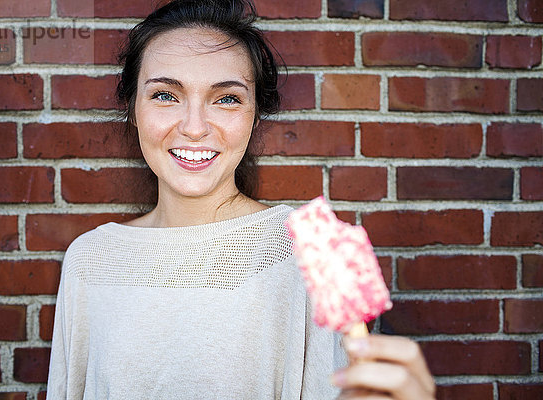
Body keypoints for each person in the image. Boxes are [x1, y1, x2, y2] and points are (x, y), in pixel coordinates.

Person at [46, 0, 435, 399]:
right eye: (165, 95)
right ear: (133, 109)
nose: (194, 128)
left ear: (255, 116)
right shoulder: (89, 261)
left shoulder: (298, 254)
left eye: (227, 98)